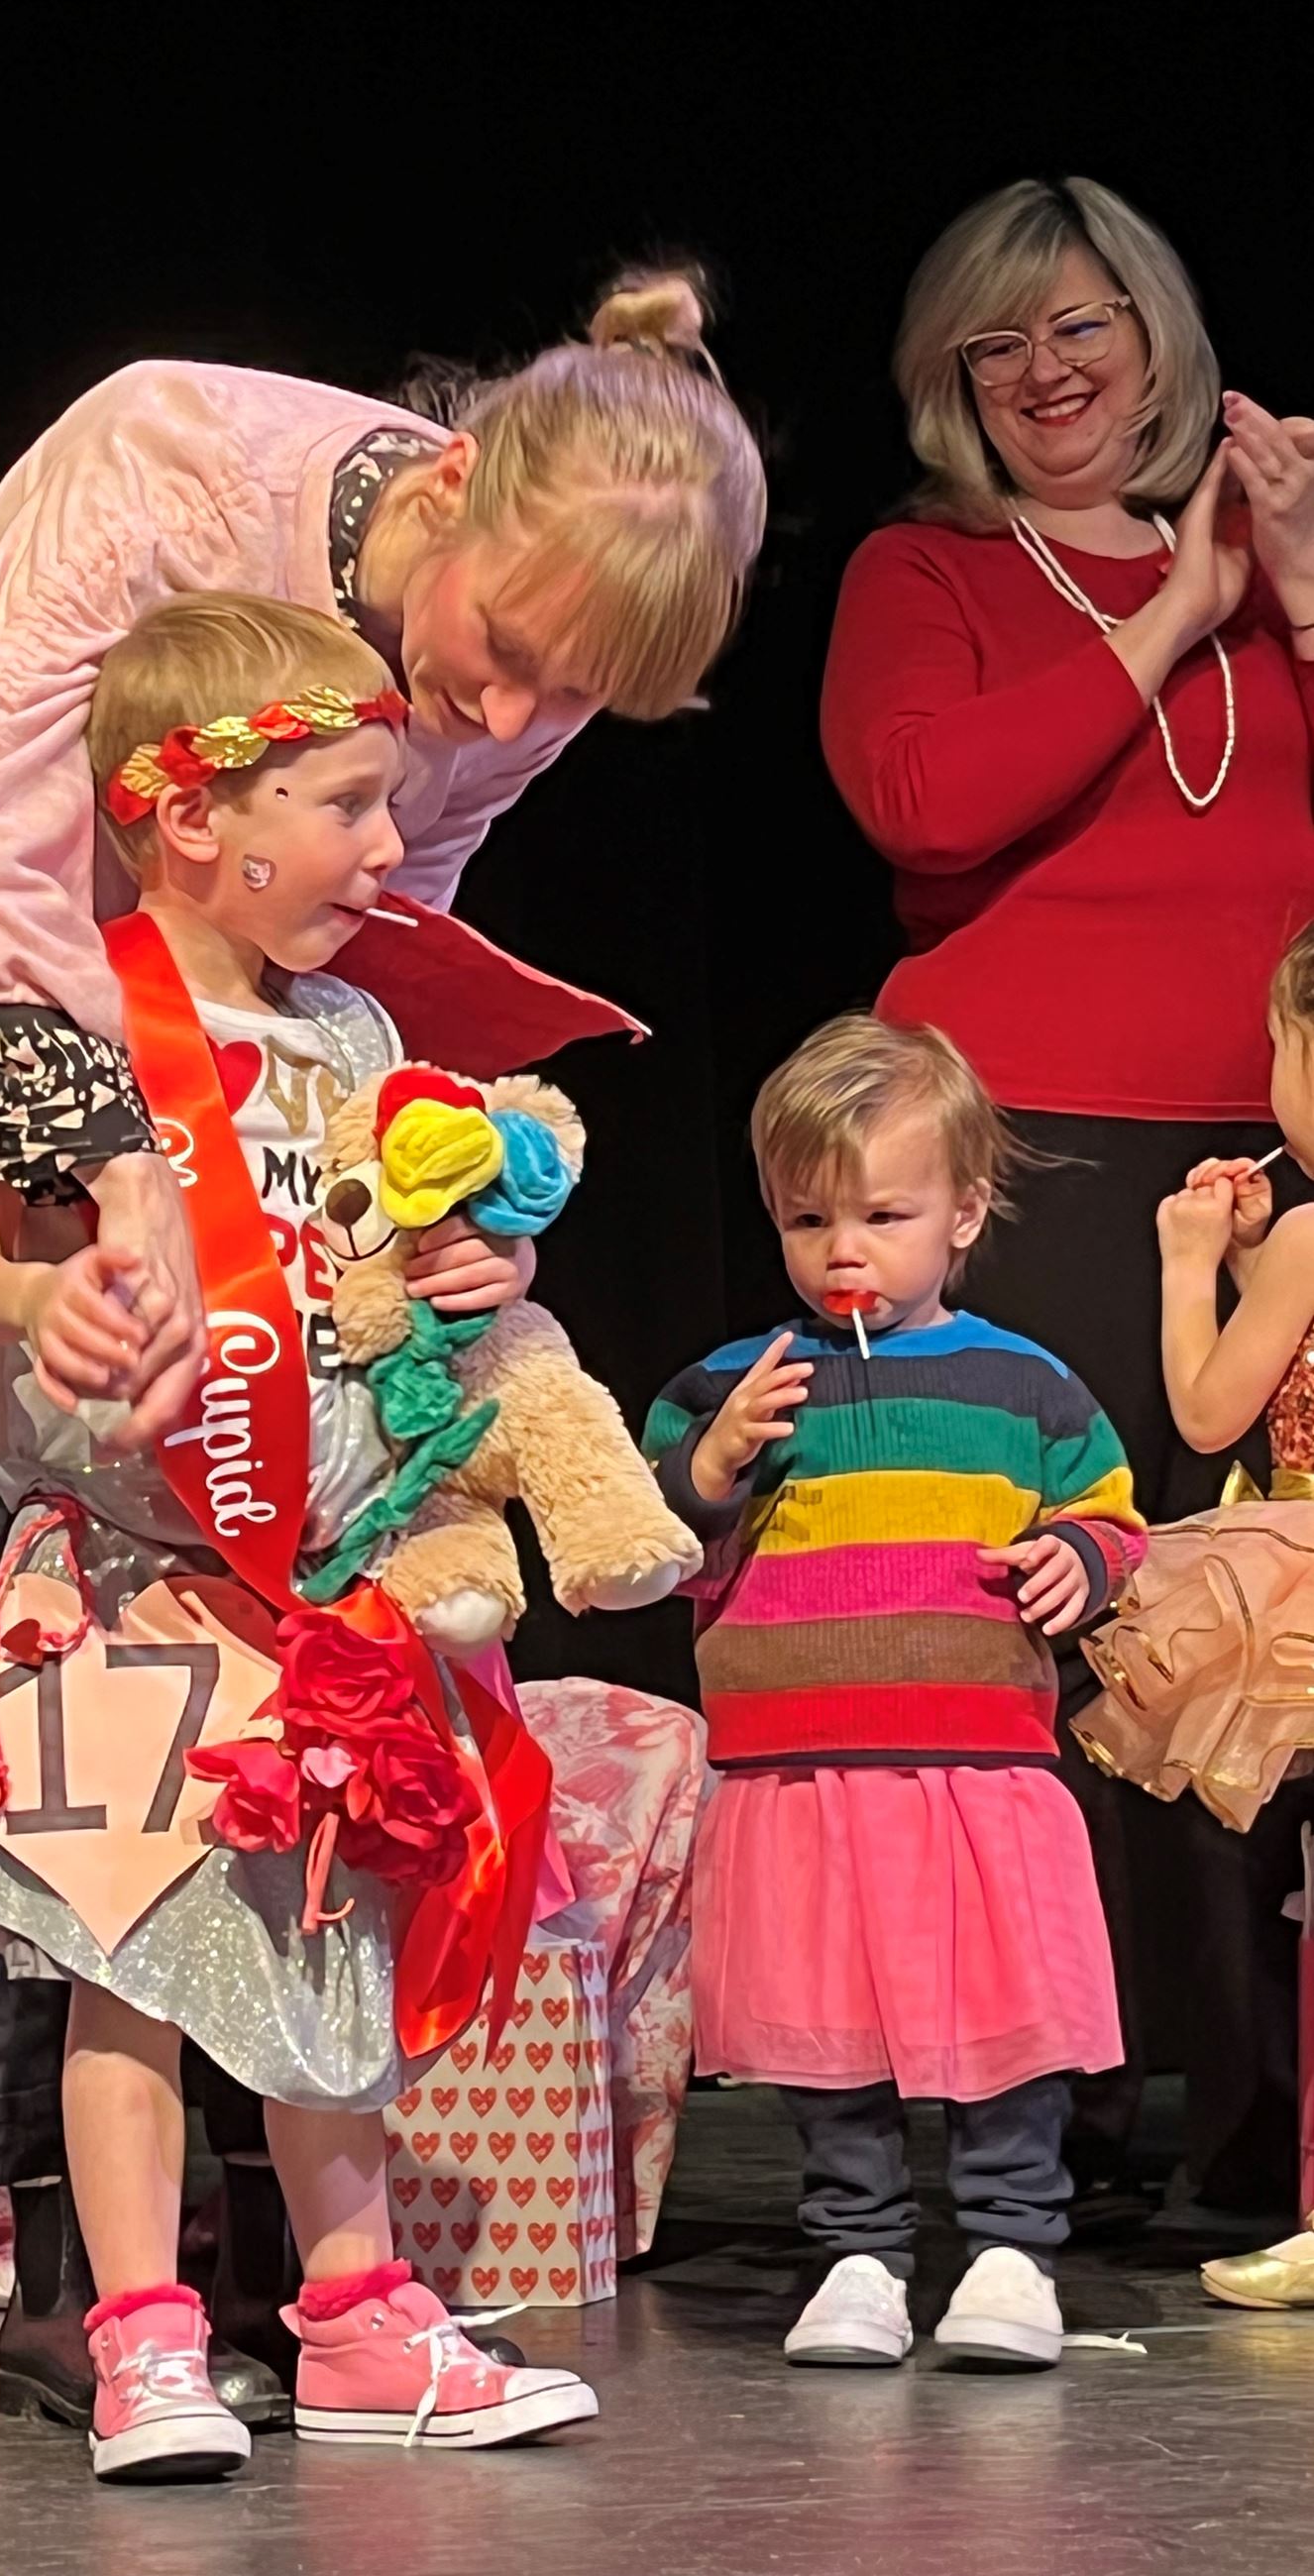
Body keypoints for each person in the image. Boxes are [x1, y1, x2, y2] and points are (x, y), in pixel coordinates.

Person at [0, 268, 767, 2417]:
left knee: (294, 1634)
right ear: (464, 475)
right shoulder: (167, 459)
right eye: (504, 644)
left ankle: (306, 2258)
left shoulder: (527, 657)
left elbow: (380, 928)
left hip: (224, 1040)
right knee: (39, 1584)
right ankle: (80, 2259)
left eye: (566, 692)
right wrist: (130, 1202)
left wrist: (410, 1215)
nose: (500, 702)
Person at [0, 594, 595, 2480]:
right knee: (133, 1956)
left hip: (320, 1584)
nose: (392, 847)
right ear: (195, 814)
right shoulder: (77, 1015)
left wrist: (485, 1259)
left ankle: (357, 2315)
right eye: (354, 803)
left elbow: (396, 1258)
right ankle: (141, 2335)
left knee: (320, 1946)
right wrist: (25, 1303)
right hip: (132, 1576)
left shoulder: (356, 1028)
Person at [820, 173, 1314, 2220]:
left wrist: (1295, 573)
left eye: (1084, 325)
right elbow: (924, 801)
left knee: (1259, 1648)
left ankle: (1255, 2107)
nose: (1045, 372)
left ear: (1161, 339)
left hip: (1270, 1163)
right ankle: (1041, 2096)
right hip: (1010, 1164)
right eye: (997, 341)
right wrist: (1175, 608)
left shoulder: (1276, 561)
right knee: (1045, 1618)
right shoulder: (924, 569)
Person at [646, 1015, 1145, 2371]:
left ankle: (1005, 2250)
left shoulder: (1022, 1382)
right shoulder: (733, 1387)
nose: (843, 1249)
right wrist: (712, 1464)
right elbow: (647, 1542)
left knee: (998, 2016)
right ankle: (856, 2249)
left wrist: (1076, 1560)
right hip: (795, 1770)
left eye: (881, 1213)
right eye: (808, 1220)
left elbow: (1108, 1510)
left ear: (963, 1213)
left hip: (975, 1765)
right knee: (829, 2024)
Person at [1072, 922, 1314, 2306]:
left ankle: (1258, 2164)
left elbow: (1214, 1409)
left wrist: (1183, 1265)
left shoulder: (1306, 1230)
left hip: (1287, 1575)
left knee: (1259, 1883)